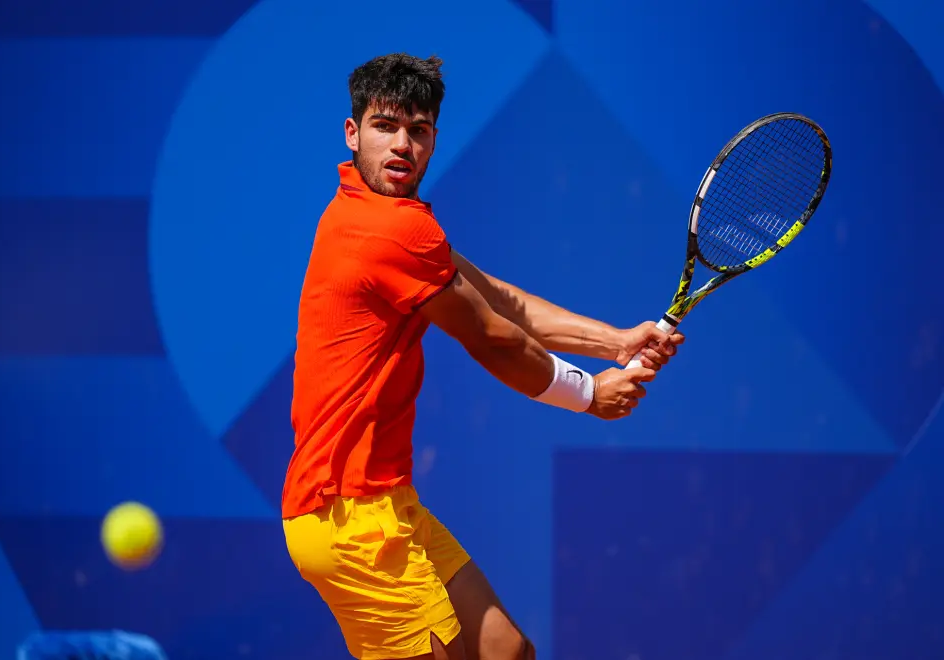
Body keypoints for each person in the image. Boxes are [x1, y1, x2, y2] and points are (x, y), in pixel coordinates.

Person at [281, 53, 685, 660]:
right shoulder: (389, 231)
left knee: (504, 651)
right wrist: (588, 395)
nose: (401, 145)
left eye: (417, 131)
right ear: (352, 132)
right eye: (385, 126)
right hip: (349, 520)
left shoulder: (384, 218)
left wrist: (617, 341)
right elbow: (493, 337)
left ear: (434, 141)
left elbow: (502, 302)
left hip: (387, 503)